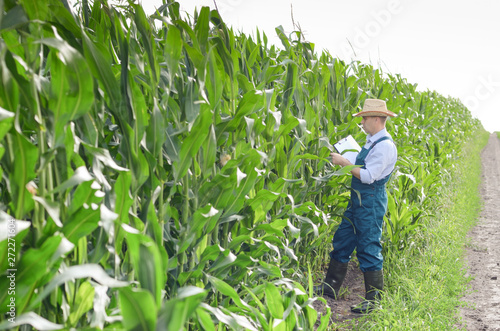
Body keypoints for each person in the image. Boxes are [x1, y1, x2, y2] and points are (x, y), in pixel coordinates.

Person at [314, 98, 398, 314]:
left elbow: (369, 176)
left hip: (370, 201)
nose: (362, 122)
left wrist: (345, 163)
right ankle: (330, 286)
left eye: (365, 118)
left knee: (368, 246)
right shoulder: (371, 140)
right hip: (359, 199)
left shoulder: (385, 146)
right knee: (343, 238)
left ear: (377, 119)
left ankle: (374, 301)